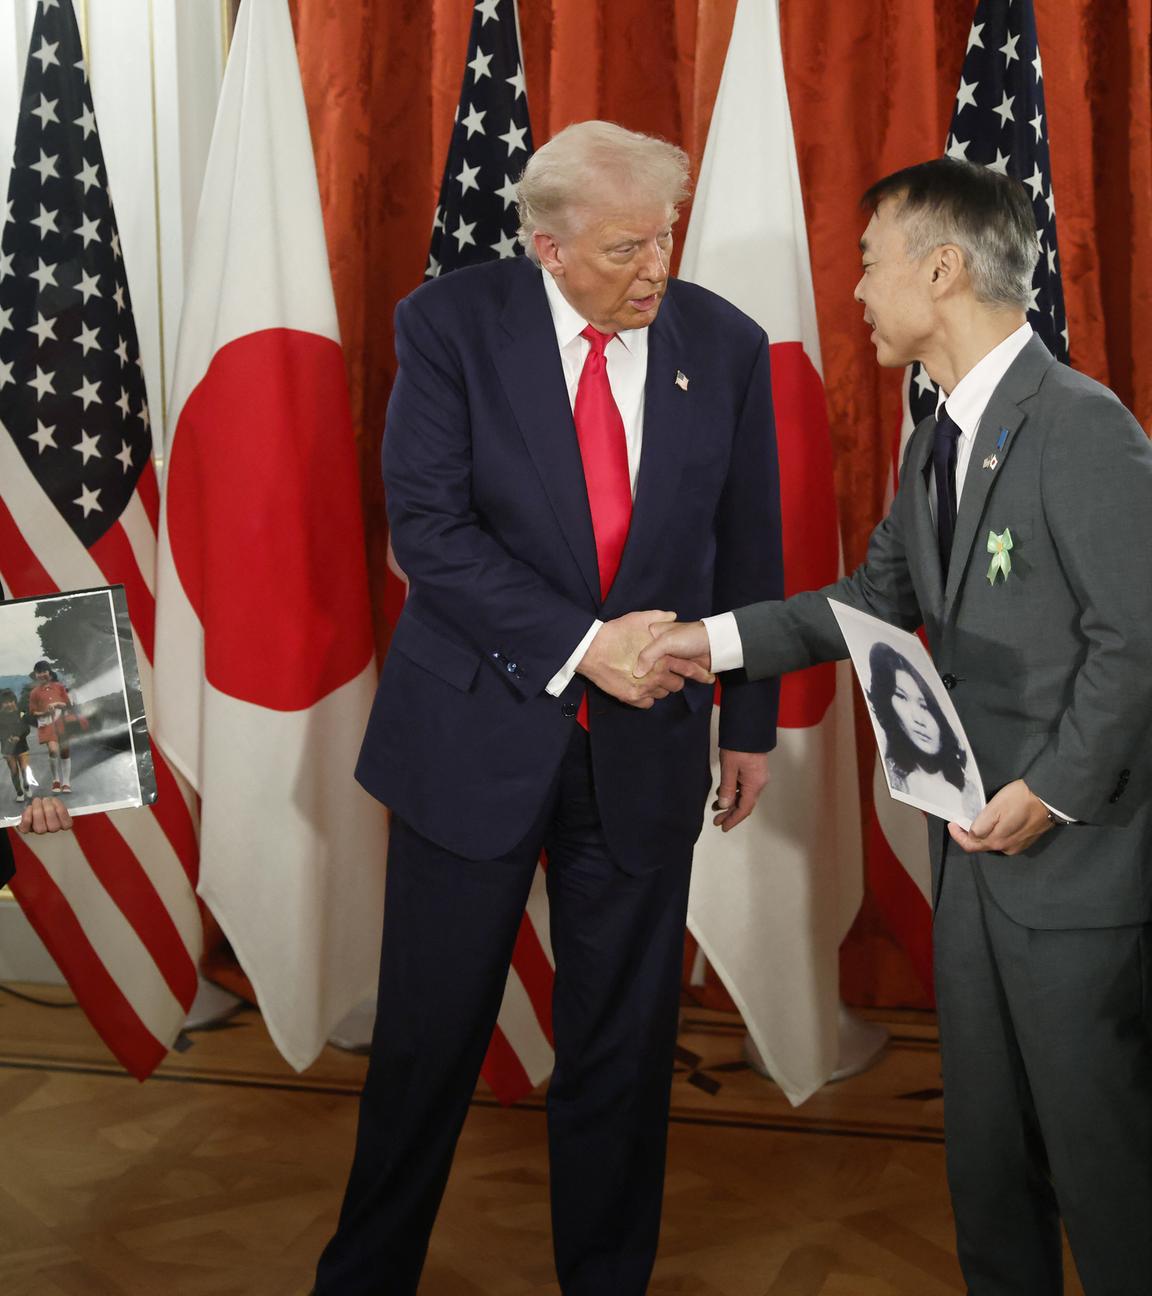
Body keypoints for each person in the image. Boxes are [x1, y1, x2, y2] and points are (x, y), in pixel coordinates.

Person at [640, 158, 1152, 1295]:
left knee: (1109, 1174)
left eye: (870, 264)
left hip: (1077, 873)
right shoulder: (935, 442)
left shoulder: (1081, 427)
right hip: (972, 860)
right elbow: (867, 604)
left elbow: (1139, 640)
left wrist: (1055, 789)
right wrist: (703, 644)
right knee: (988, 1164)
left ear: (943, 267)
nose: (858, 292)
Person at [313, 121, 783, 1296]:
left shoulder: (722, 345)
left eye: (663, 238)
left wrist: (754, 723)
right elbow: (429, 534)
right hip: (474, 735)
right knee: (427, 1045)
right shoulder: (452, 326)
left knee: (622, 1056)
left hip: (650, 749)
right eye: (627, 246)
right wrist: (585, 649)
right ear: (548, 247)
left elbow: (751, 547)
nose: (654, 267)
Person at [865, 641, 981, 824]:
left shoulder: (971, 794)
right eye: (902, 697)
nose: (917, 718)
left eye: (925, 706)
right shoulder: (895, 780)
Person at [28, 660, 73, 793]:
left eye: (44, 671)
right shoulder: (34, 692)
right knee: (53, 750)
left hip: (62, 722)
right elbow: (33, 712)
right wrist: (45, 712)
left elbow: (68, 704)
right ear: (35, 675)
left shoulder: (59, 687)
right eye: (38, 672)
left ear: (49, 672)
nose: (42, 674)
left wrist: (57, 703)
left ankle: (66, 783)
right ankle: (55, 780)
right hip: (46, 724)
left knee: (65, 751)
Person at [0, 688, 32, 803]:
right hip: (7, 749)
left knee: (24, 769)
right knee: (14, 771)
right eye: (5, 702)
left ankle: (27, 786)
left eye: (11, 701)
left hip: (22, 745)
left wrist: (19, 737)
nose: (9, 704)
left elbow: (26, 729)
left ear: (15, 701)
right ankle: (19, 792)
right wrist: (7, 738)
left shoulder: (21, 713)